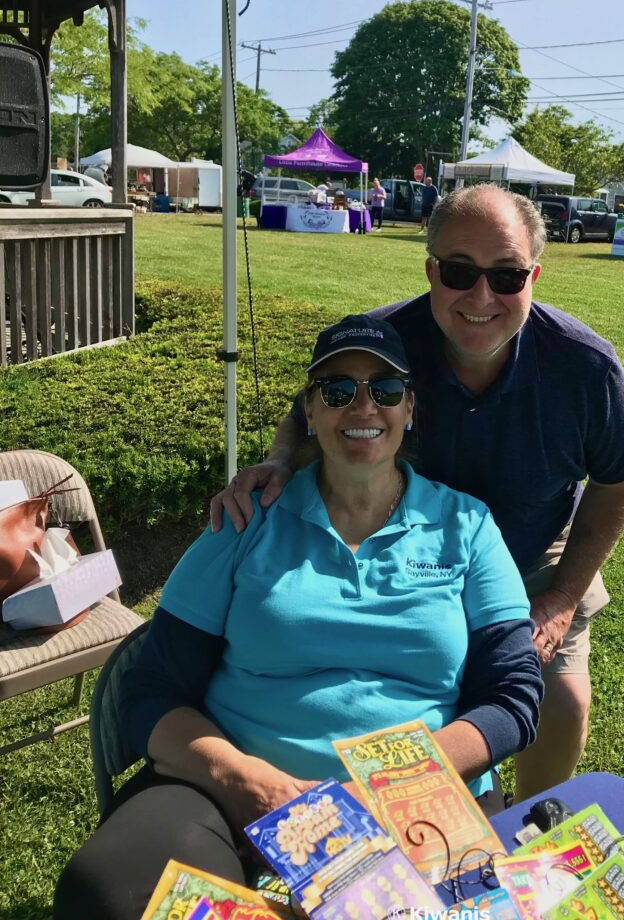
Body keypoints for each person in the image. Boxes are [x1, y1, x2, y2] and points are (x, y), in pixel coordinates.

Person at [54, 314, 542, 920]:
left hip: (417, 798)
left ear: (409, 408)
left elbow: (513, 696)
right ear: (308, 413)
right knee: (111, 891)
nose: (362, 406)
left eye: (384, 390)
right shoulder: (246, 518)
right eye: (338, 391)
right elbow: (150, 691)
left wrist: (389, 787)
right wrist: (249, 784)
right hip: (233, 793)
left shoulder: (467, 526)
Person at [212, 185, 624, 803]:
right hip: (405, 547)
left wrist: (561, 596)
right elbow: (309, 407)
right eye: (458, 271)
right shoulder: (384, 340)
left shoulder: (585, 368)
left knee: (563, 696)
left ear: (535, 276)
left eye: (506, 275)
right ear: (429, 270)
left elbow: (620, 476)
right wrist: (278, 462)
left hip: (531, 554)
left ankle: (524, 824)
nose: (480, 296)